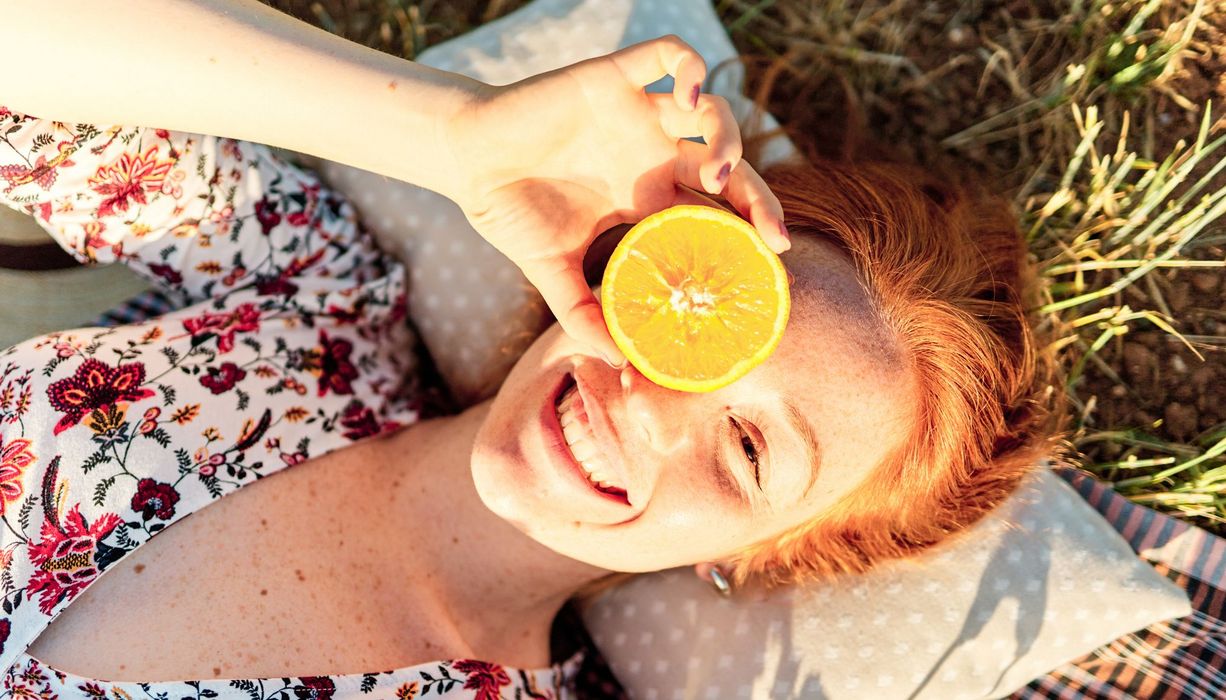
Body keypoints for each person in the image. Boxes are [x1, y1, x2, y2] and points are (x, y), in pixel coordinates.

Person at [0, 0, 1057, 695]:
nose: (645, 400)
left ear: (757, 556)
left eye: (746, 447)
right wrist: (451, 138)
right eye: (693, 315)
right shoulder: (315, 305)